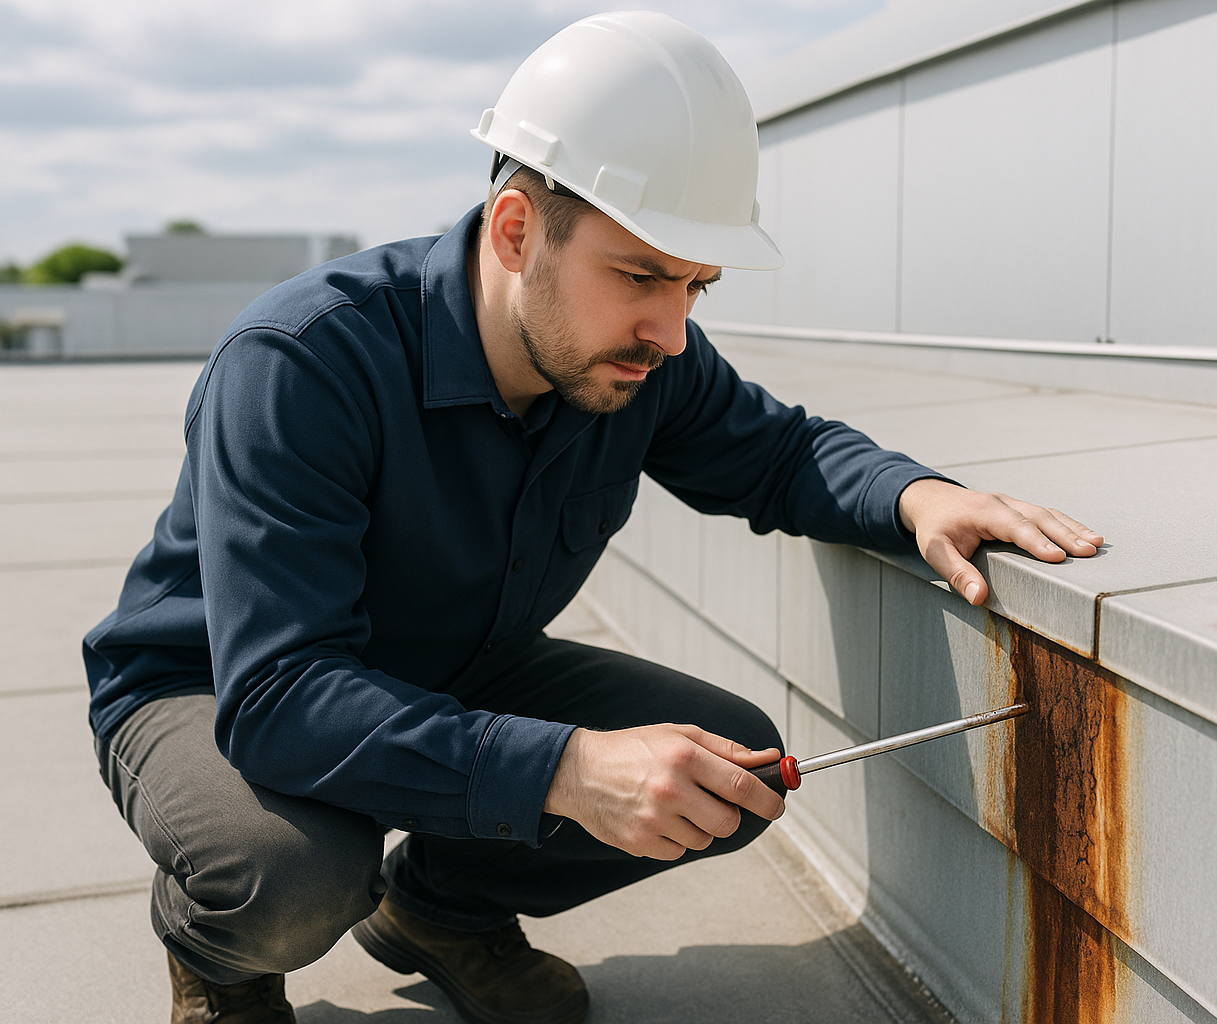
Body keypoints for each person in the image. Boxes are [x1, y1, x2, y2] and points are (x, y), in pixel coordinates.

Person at [83, 13, 1102, 1024]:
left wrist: (919, 495)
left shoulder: (640, 354)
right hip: (221, 685)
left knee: (728, 770)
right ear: (518, 228)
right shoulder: (304, 362)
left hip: (447, 663)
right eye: (643, 275)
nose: (672, 328)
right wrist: (566, 771)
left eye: (696, 284)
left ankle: (438, 909)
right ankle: (220, 962)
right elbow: (281, 697)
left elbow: (782, 452)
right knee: (290, 872)